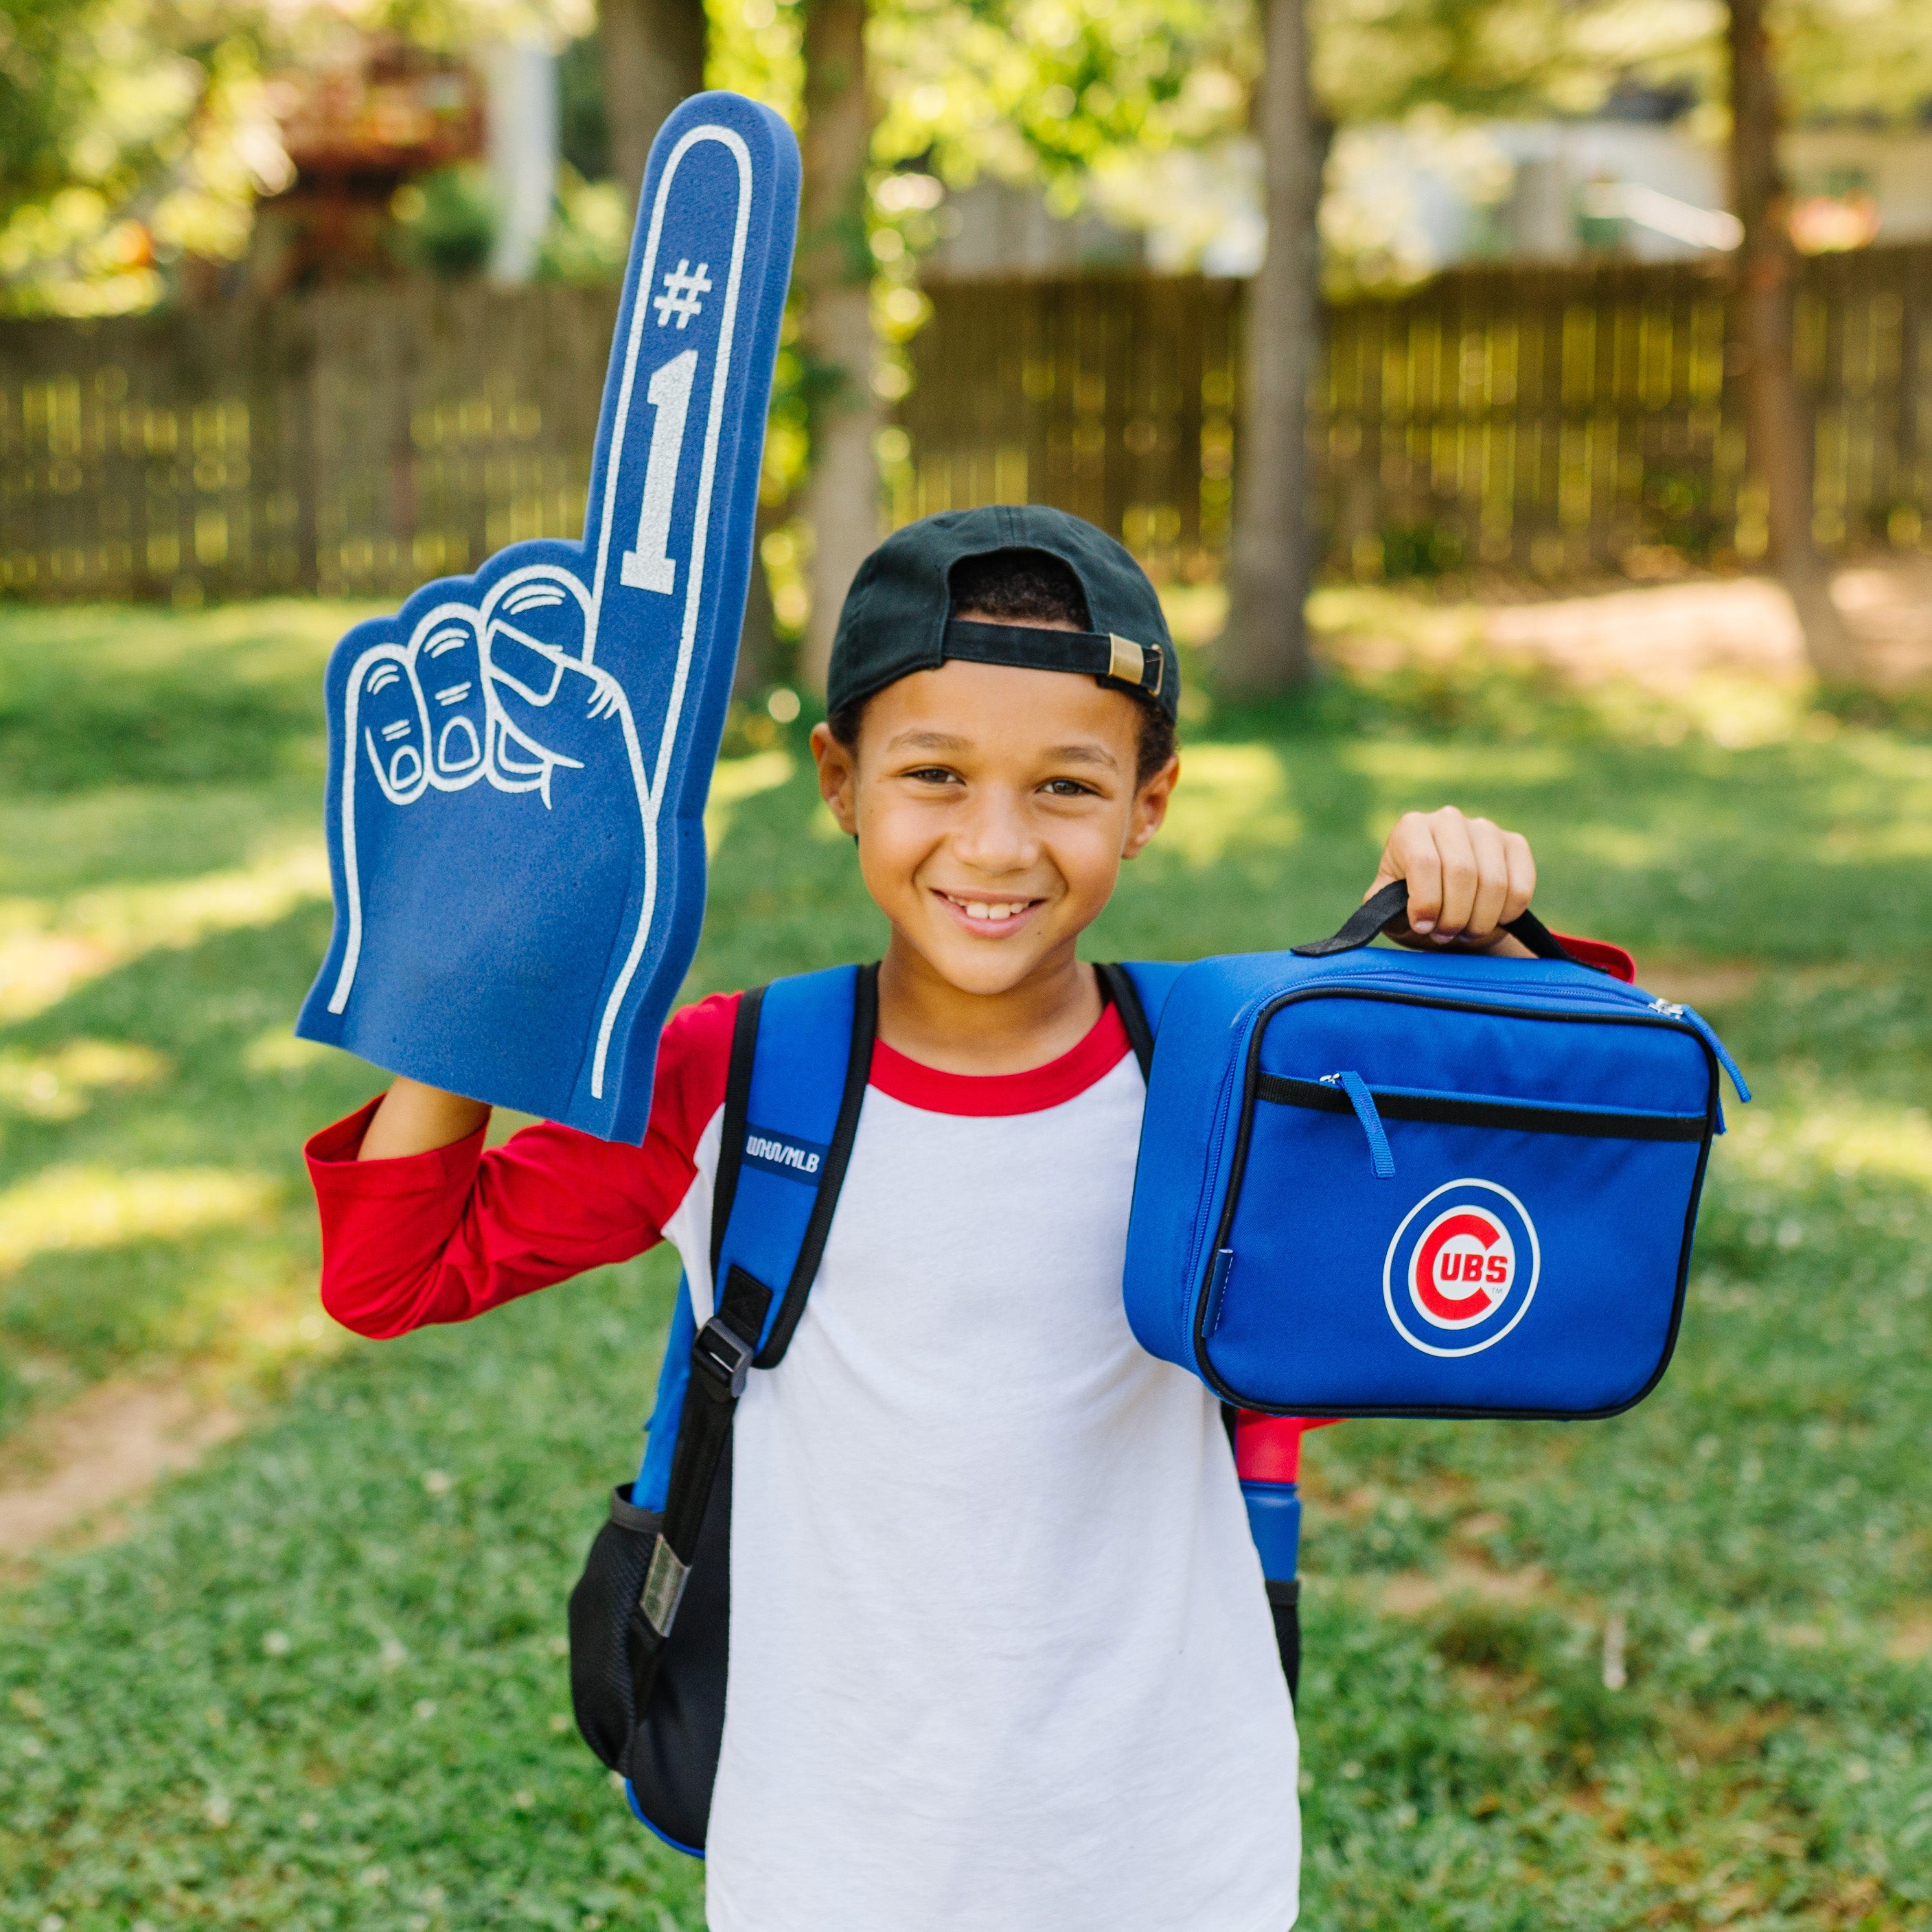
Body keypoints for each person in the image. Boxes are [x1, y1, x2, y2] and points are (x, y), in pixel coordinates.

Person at [307, 505, 1618, 1932]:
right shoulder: (730, 1077)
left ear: (1150, 802)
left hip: (1176, 1851)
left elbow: (1515, 1229)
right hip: (832, 1855)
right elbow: (395, 1272)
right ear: (841, 778)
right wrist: (468, 974)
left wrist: (1469, 956)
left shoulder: (1236, 1062)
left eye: (1067, 786)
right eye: (933, 773)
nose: (994, 845)